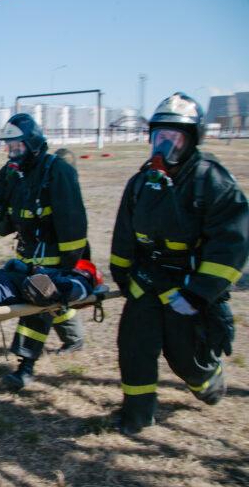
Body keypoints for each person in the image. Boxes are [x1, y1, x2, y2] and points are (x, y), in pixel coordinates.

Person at [110, 92, 249, 435]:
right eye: (159, 137)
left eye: (174, 138)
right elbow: (124, 234)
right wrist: (124, 276)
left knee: (184, 356)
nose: (164, 146)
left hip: (188, 288)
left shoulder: (210, 180)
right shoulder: (142, 182)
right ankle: (137, 415)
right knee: (134, 347)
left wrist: (199, 294)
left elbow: (233, 242)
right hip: (147, 282)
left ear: (192, 140)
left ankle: (207, 380)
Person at [0, 113, 89, 391]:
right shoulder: (12, 171)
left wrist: (67, 267)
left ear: (32, 143)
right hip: (28, 254)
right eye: (9, 146)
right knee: (47, 303)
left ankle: (25, 368)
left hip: (56, 258)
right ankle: (73, 339)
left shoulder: (56, 171)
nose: (11, 152)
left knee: (36, 308)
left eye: (16, 146)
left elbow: (73, 221)